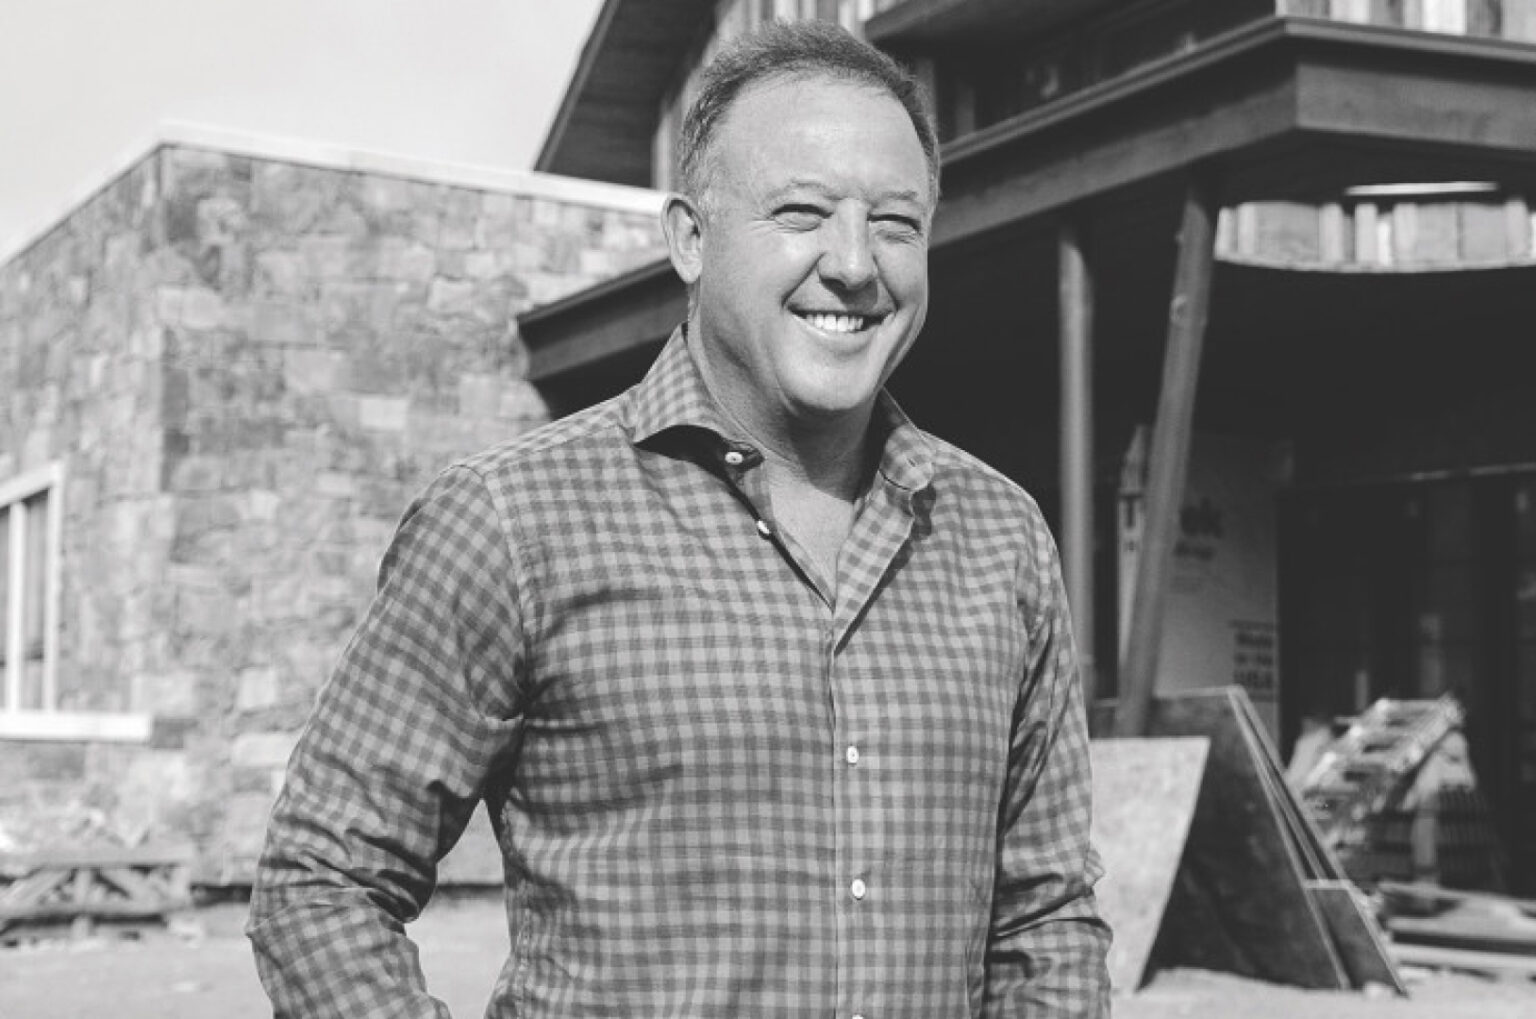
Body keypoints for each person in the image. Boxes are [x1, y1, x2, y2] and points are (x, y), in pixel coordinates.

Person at [248, 19, 1110, 1018]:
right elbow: (322, 880)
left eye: (896, 224)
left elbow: (1045, 917)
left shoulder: (998, 537)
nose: (854, 264)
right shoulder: (512, 522)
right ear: (690, 238)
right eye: (801, 211)